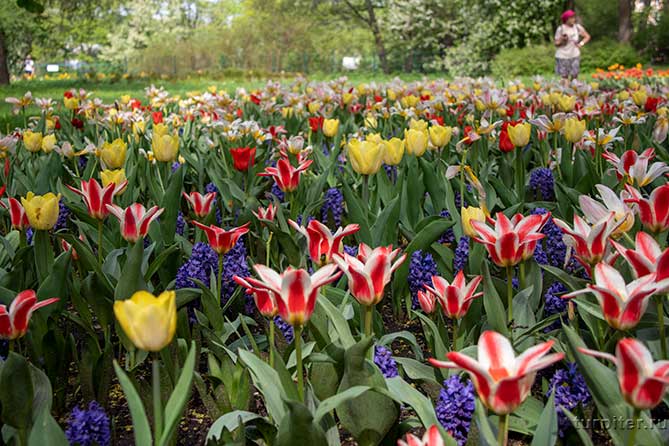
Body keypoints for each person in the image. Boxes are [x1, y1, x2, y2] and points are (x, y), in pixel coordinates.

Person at [554, 10, 590, 81]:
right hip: (562, 56)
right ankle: (565, 91)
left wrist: (581, 44)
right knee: (564, 77)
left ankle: (573, 91)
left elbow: (587, 36)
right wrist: (562, 40)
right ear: (566, 19)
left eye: (574, 17)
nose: (574, 19)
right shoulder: (561, 29)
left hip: (575, 55)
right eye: (571, 18)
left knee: (575, 76)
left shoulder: (577, 27)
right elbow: (556, 43)